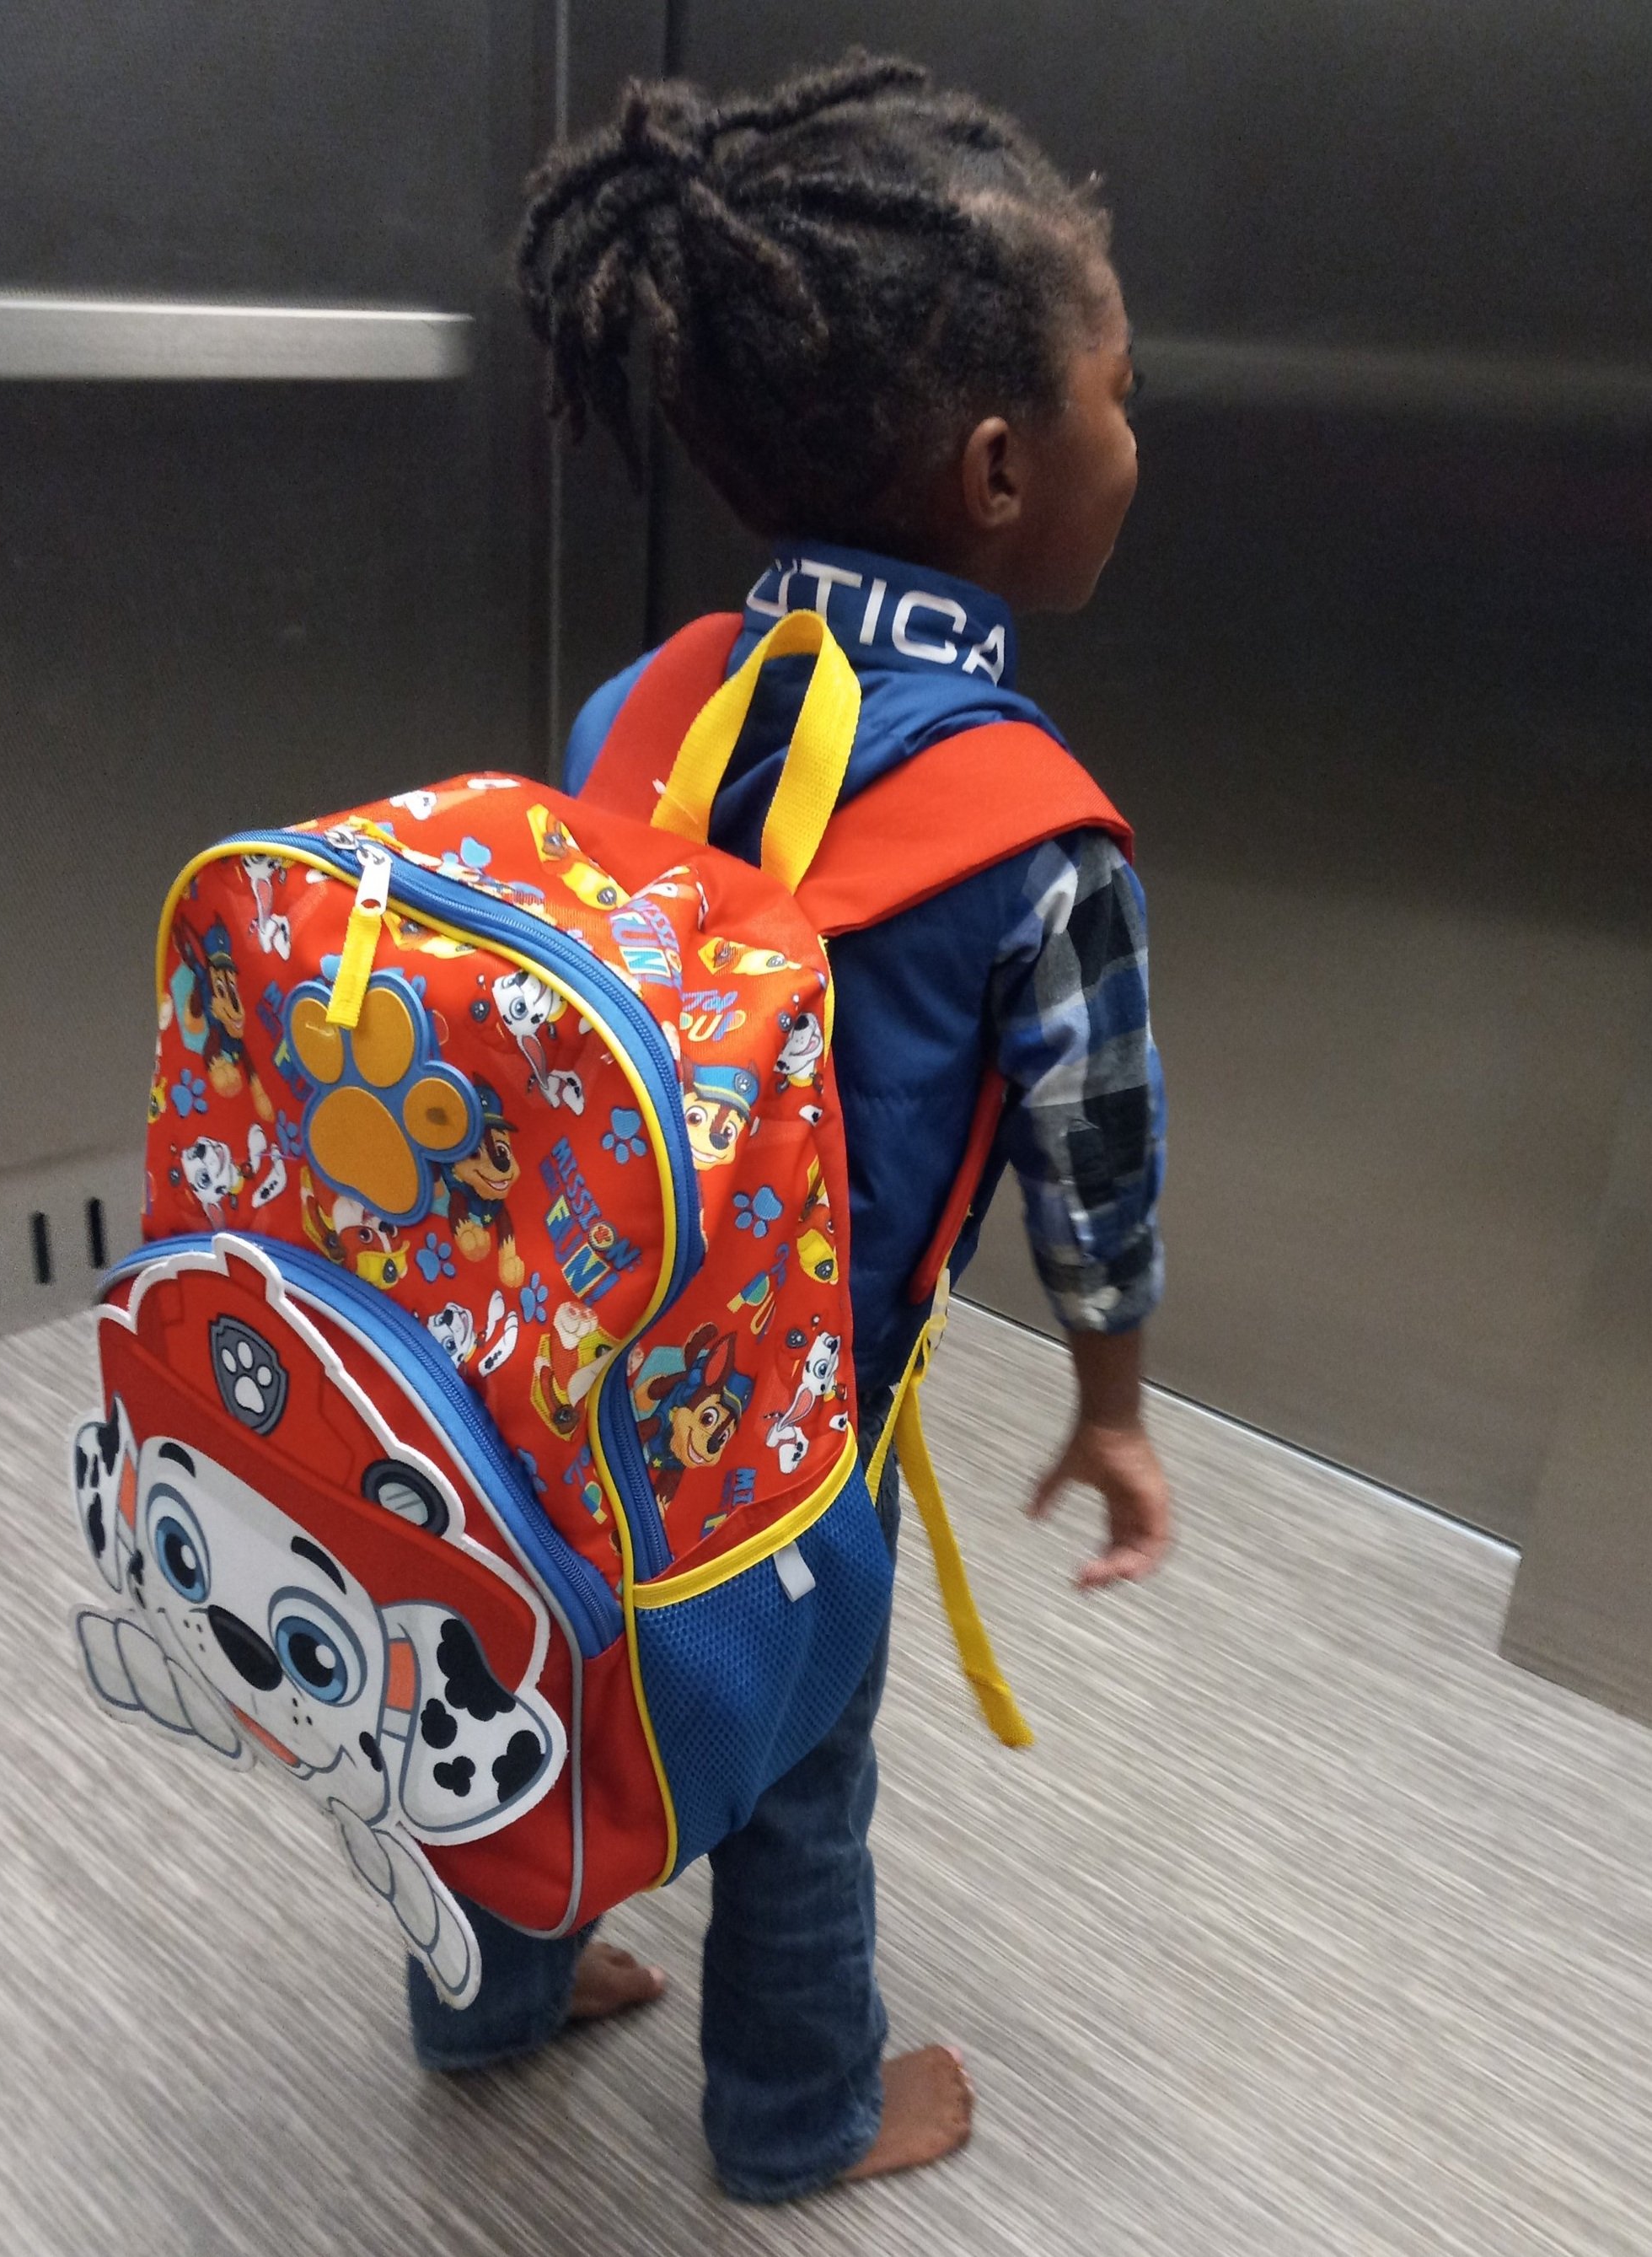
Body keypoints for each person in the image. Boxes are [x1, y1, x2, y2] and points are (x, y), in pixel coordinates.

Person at [409, 50, 1172, 2201]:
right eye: (1126, 395)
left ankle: (485, 1993)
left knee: (527, 1648)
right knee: (801, 1762)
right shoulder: (1039, 837)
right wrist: (1111, 1398)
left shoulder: (633, 700)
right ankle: (798, 2114)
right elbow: (1093, 1163)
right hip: (780, 1431)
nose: (1142, 437)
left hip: (538, 1363)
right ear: (1008, 466)